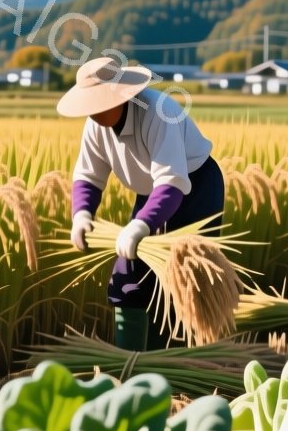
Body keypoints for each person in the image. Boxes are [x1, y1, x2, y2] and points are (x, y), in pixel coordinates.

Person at [61, 56, 223, 351]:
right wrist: (82, 214)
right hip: (153, 195)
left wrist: (139, 225)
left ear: (120, 97)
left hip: (194, 189)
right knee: (127, 279)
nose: (93, 112)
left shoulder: (159, 113)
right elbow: (89, 175)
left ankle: (181, 362)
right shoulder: (96, 124)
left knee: (187, 280)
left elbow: (173, 182)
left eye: (99, 103)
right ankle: (133, 364)